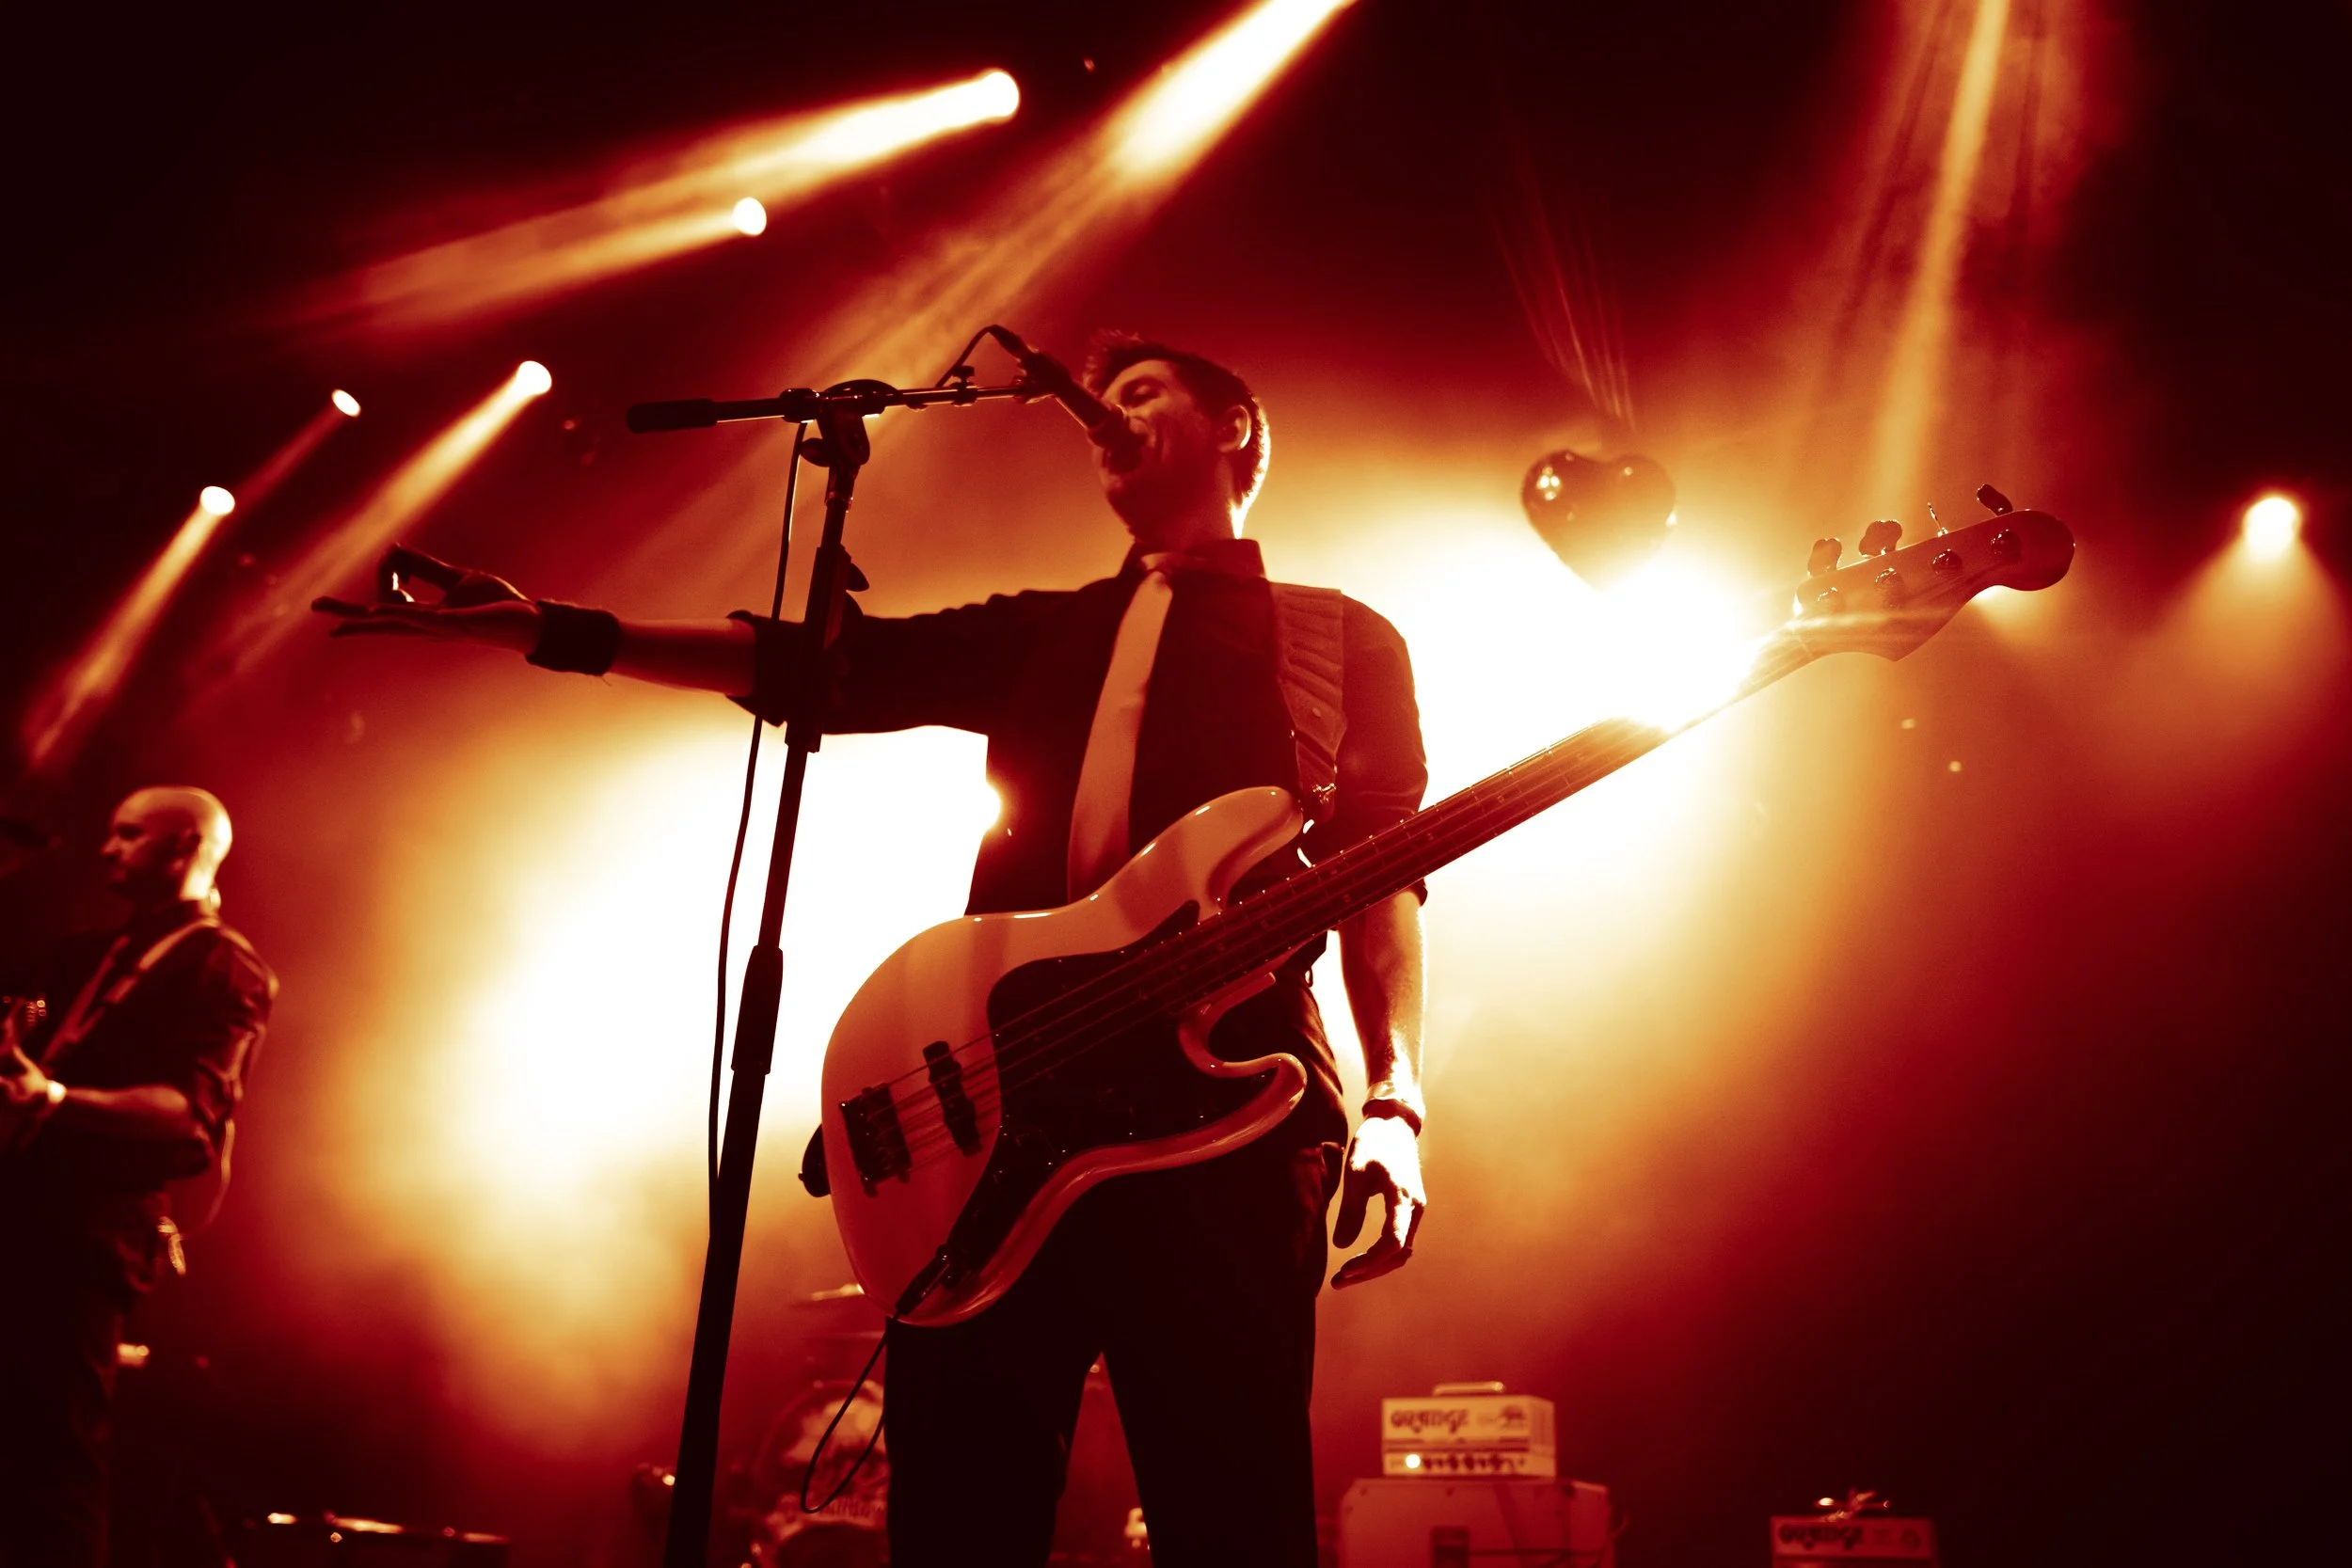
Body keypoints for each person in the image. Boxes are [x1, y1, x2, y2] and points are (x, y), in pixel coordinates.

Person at [316, 334, 1429, 1567]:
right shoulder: (1050, 630)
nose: (1109, 414)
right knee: (955, 1523)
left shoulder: (1340, 638)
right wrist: (551, 629)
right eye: (1105, 395)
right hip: (1001, 1113)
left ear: (1234, 429)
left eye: (1142, 390)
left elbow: (1387, 875)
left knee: (1232, 1520)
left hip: (1229, 1114)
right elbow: (823, 665)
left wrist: (1398, 1097)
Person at [0, 786, 276, 1568]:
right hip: (27, 1213)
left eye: (128, 835)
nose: (106, 848)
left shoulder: (222, 963)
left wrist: (55, 1097)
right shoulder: (88, 950)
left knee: (53, 1463)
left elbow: (190, 1114)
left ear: (184, 846)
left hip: (88, 1233)